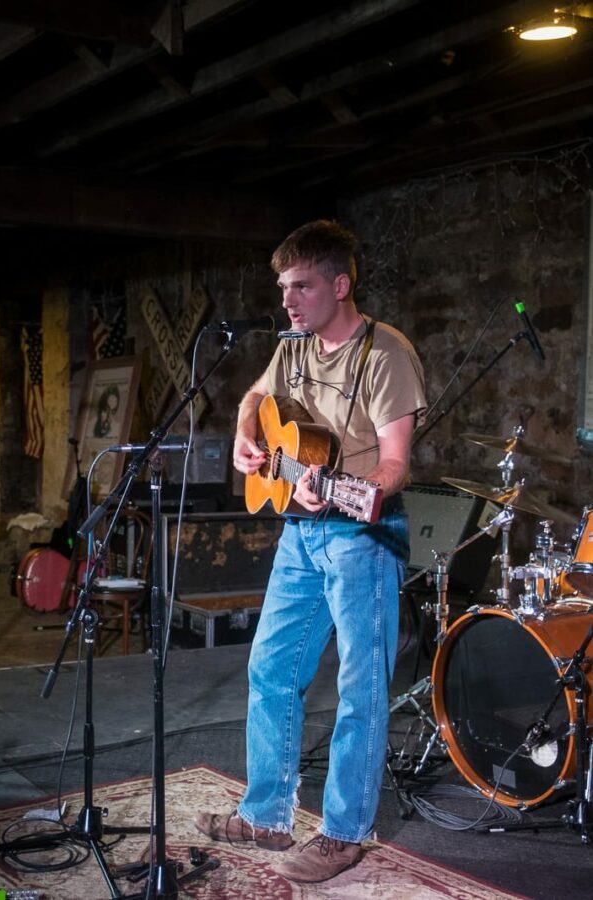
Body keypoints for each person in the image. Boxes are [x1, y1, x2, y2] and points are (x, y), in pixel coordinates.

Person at [193, 220, 426, 883]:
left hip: (362, 536)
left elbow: (394, 464)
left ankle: (345, 832)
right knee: (271, 667)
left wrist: (355, 491)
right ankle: (267, 814)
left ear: (340, 284)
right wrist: (247, 439)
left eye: (302, 286)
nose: (288, 302)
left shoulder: (386, 355)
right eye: (283, 288)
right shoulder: (293, 346)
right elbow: (256, 398)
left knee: (360, 686)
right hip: (299, 531)